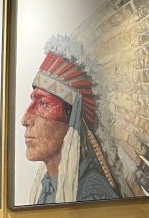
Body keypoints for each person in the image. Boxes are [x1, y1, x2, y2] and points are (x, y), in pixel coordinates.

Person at [21, 49, 117, 204]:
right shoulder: (47, 186)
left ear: (72, 119)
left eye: (43, 103)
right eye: (33, 102)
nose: (25, 120)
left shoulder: (93, 192)